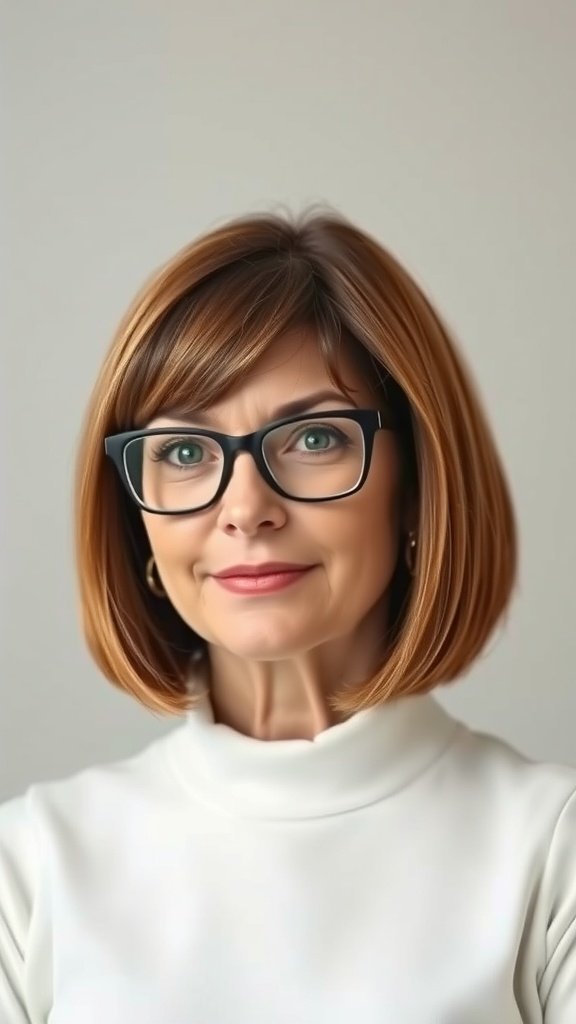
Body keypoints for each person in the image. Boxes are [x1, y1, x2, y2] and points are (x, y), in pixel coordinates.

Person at [0, 207, 574, 1023]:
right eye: (186, 452)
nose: (245, 510)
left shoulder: (554, 854)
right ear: (137, 520)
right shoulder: (27, 870)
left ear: (416, 484)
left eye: (313, 439)